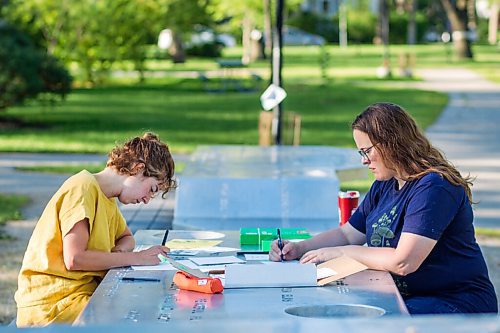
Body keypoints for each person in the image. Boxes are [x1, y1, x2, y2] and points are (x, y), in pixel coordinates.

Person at [270, 103, 498, 315]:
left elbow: (404, 261)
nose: (364, 161)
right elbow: (348, 234)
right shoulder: (385, 184)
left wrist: (341, 253)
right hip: (410, 297)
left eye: (366, 151)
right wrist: (299, 248)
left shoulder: (434, 186)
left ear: (392, 142)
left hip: (456, 302)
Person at [15, 132, 176, 326]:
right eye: (152, 190)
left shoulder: (107, 198)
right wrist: (136, 258)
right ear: (138, 169)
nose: (146, 200)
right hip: (54, 303)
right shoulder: (82, 188)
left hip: (80, 295)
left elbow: (127, 237)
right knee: (136, 321)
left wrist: (118, 253)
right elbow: (75, 258)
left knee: (146, 309)